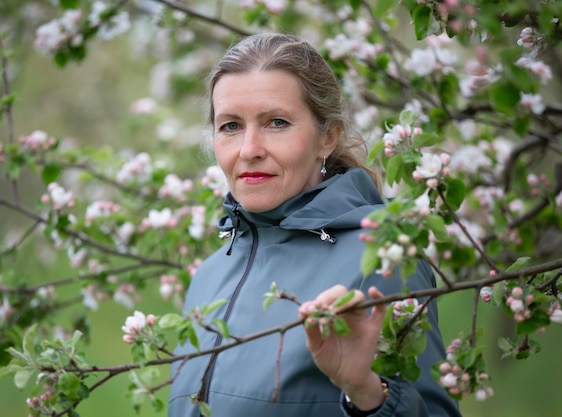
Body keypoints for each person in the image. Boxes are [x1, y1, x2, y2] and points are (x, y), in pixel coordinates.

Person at [168, 33, 462, 417]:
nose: (249, 149)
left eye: (276, 122)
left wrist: (366, 393)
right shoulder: (209, 275)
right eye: (230, 126)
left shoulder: (380, 257)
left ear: (328, 136)